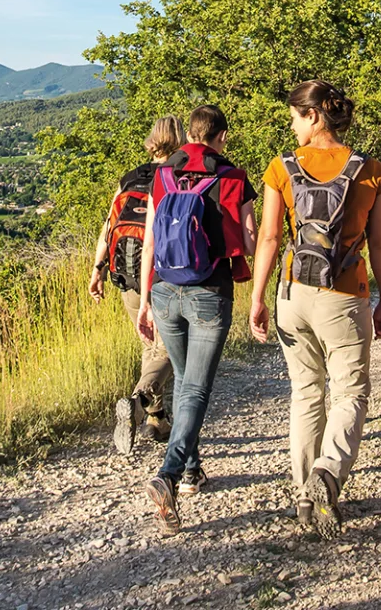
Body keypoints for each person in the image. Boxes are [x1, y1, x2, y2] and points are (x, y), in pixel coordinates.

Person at [249, 80, 381, 536]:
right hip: (345, 294)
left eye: (295, 115)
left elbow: (271, 238)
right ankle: (328, 472)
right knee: (350, 392)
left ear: (314, 116)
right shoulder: (371, 171)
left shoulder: (281, 167)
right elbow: (380, 244)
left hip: (293, 293)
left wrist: (257, 298)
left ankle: (304, 501)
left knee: (305, 393)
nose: (291, 125)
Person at [136, 104, 257, 534]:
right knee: (196, 389)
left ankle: (191, 471)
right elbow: (249, 238)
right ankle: (169, 474)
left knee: (186, 382)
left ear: (190, 133)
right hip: (209, 290)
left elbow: (151, 240)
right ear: (221, 136)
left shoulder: (162, 175)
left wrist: (148, 300)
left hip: (164, 290)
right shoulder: (234, 178)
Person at [89, 115, 185, 455]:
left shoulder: (131, 177)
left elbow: (110, 223)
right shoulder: (178, 176)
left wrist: (97, 267)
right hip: (161, 273)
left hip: (125, 272)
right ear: (180, 139)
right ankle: (139, 400)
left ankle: (157, 419)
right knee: (170, 349)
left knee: (150, 346)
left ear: (151, 142)